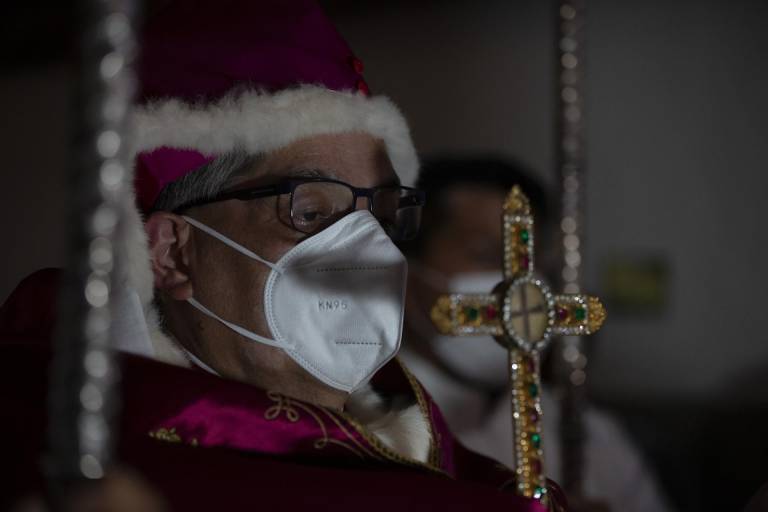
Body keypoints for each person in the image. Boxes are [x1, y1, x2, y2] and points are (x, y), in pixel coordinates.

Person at [0, 1, 566, 511]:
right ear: (172, 252)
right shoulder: (73, 455)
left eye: (384, 215)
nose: (369, 251)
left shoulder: (428, 447)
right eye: (311, 212)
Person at [399, 157, 674, 512]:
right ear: (406, 273)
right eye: (485, 254)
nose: (520, 287)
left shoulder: (588, 435)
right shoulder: (361, 430)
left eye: (530, 260)